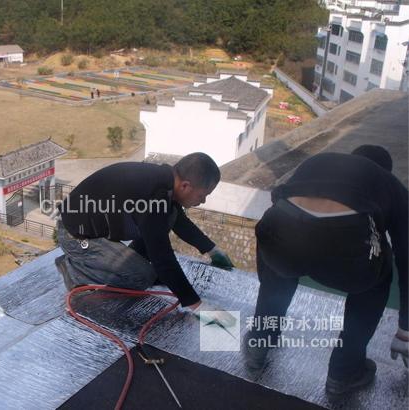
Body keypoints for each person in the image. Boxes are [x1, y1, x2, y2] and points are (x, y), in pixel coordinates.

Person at [245, 145, 408, 395]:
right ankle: (344, 372)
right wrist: (405, 329)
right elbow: (406, 256)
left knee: (280, 255)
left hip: (282, 231)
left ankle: (260, 340)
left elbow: (279, 200)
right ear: (385, 170)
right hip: (348, 250)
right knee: (379, 275)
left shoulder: (318, 160)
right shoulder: (390, 183)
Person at [55, 153, 236, 324]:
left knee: (170, 216)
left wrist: (212, 250)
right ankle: (73, 270)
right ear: (185, 186)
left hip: (95, 229)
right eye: (202, 195)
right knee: (141, 276)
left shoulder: (165, 183)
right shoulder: (153, 196)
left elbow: (179, 222)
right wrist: (197, 306)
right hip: (75, 236)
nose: (203, 201)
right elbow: (162, 257)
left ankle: (125, 262)